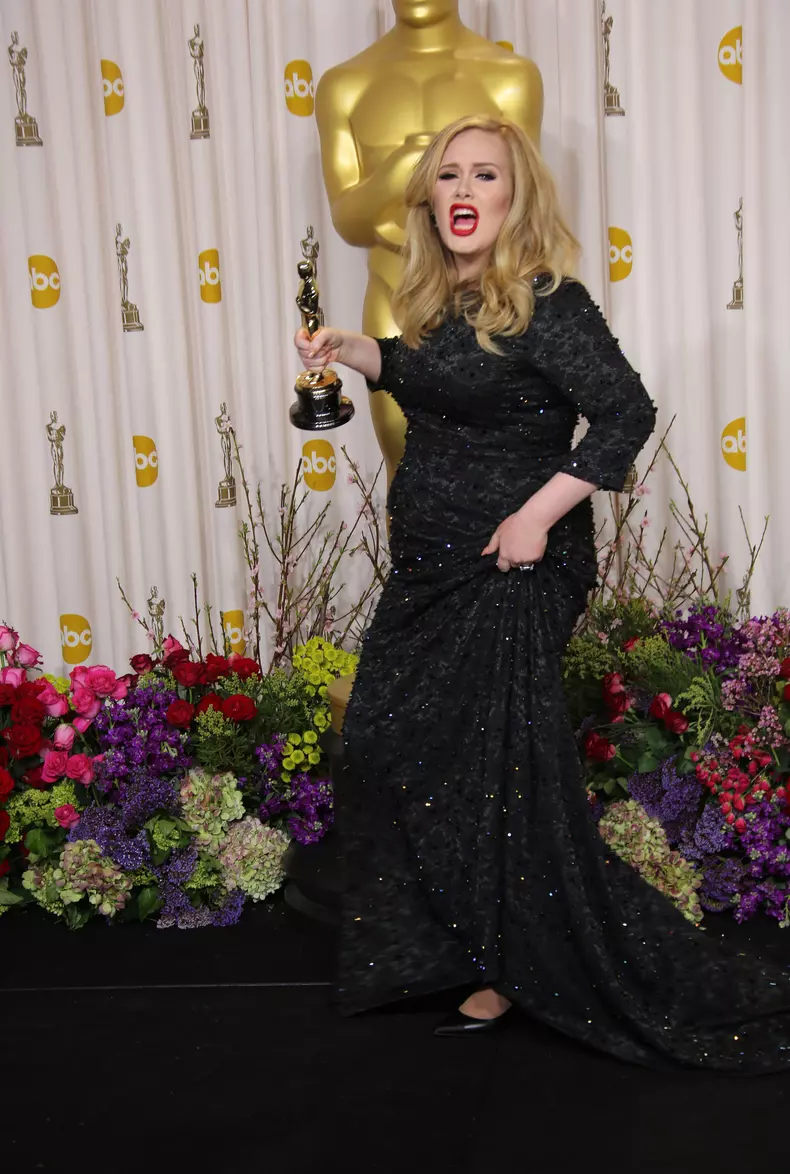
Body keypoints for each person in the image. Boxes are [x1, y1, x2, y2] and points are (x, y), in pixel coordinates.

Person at [294, 114, 790, 1071]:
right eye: (449, 176)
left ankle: (520, 968)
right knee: (396, 739)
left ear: (515, 194)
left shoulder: (548, 300)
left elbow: (626, 414)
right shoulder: (444, 298)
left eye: (486, 174)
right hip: (433, 562)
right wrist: (364, 352)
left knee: (497, 767)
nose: (466, 190)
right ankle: (476, 947)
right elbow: (435, 379)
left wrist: (536, 516)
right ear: (430, 199)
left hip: (513, 564)